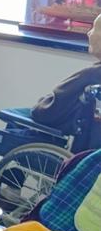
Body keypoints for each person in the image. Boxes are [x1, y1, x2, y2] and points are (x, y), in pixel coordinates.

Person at [32, 13, 101, 145]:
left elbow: (46, 112)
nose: (89, 33)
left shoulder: (90, 75)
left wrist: (40, 105)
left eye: (94, 28)